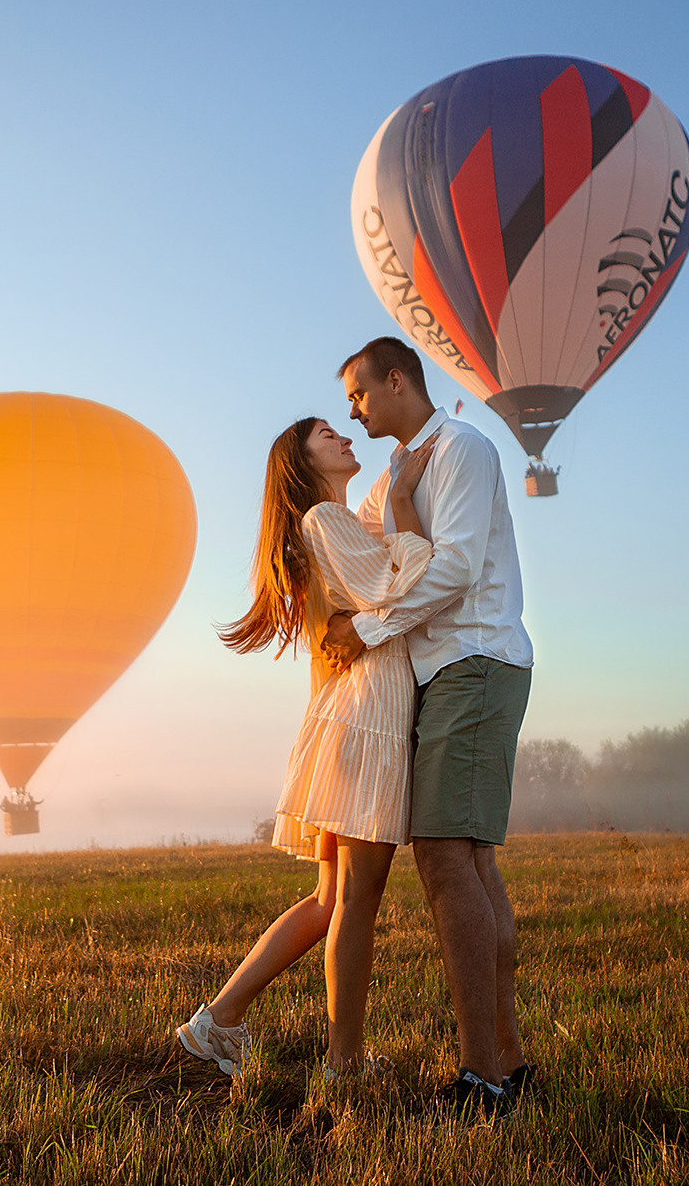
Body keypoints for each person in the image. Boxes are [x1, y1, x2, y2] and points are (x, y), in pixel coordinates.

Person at [173, 416, 439, 1082]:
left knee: (329, 901)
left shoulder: (322, 528)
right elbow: (401, 585)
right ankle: (343, 1065)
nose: (344, 436)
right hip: (367, 722)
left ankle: (218, 1020)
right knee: (355, 902)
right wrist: (403, 500)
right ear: (302, 461)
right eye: (326, 433)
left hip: (342, 722)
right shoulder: (325, 518)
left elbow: (372, 592)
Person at [322, 336, 536, 1119]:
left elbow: (453, 568)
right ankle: (506, 1062)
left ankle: (482, 1078)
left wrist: (366, 630)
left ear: (396, 379)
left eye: (358, 393)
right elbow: (369, 554)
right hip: (443, 672)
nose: (352, 409)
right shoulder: (395, 474)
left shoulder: (464, 450)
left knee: (446, 856)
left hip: (474, 658)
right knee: (470, 860)